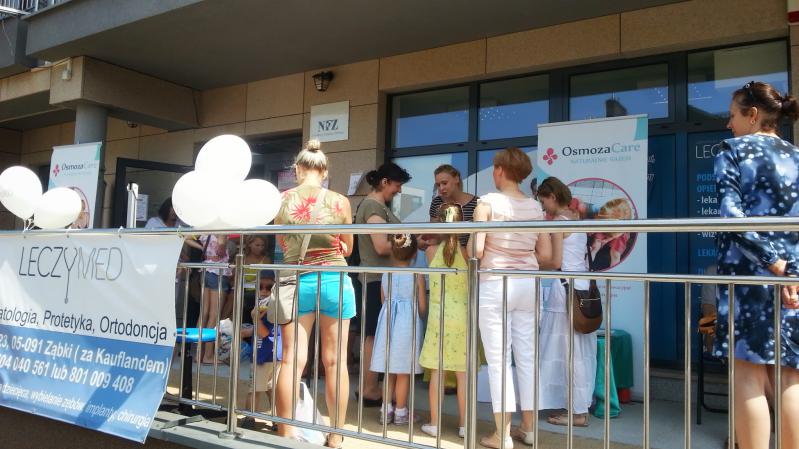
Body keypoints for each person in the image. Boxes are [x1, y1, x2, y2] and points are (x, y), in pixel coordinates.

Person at [713, 80, 799, 449]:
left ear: (751, 114)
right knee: (789, 375)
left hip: (746, 275)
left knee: (747, 374)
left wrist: (773, 261)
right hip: (793, 280)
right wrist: (792, 269)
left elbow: (731, 217)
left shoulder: (732, 151)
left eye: (732, 115)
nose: (728, 123)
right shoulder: (796, 155)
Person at [274, 140, 355, 448]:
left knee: (292, 360)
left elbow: (283, 243)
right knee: (335, 362)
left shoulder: (282, 200)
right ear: (325, 171)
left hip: (297, 281)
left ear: (298, 169)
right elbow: (348, 247)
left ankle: (286, 433)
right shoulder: (340, 202)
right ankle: (335, 435)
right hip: (334, 280)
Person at [469, 147, 552, 449]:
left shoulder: (487, 203)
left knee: (499, 361)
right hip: (528, 284)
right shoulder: (535, 207)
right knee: (527, 357)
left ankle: (501, 434)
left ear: (500, 170)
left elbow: (476, 250)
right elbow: (545, 254)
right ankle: (528, 429)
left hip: (495, 283)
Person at [536, 177, 596, 427]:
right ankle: (578, 406)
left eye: (544, 202)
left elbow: (555, 262)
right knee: (578, 351)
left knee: (565, 351)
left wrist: (530, 263)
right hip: (582, 287)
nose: (544, 207)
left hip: (564, 290)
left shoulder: (559, 222)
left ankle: (577, 412)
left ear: (552, 197)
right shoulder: (577, 218)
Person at [354, 162, 411, 406]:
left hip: (377, 279)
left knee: (373, 335)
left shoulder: (375, 206)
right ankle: (369, 388)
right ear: (385, 182)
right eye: (397, 185)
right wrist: (411, 243)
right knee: (372, 336)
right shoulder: (373, 206)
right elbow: (381, 245)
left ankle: (370, 387)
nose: (399, 190)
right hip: (376, 280)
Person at [420, 203, 469, 438]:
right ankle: (464, 425)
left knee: (437, 372)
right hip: (462, 316)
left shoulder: (431, 252)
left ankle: (435, 423)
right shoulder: (467, 253)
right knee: (462, 374)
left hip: (438, 317)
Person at [370, 234, 427, 425]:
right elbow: (422, 307)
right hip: (407, 326)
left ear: (393, 252)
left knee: (389, 370)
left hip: (388, 325)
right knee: (403, 371)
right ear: (414, 253)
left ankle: (385, 409)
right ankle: (401, 411)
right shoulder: (417, 275)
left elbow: (383, 301)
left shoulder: (386, 274)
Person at [241, 270, 281, 431]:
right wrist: (247, 331)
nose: (264, 291)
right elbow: (259, 331)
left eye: (269, 287)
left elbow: (264, 333)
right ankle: (276, 420)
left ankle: (249, 418)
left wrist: (255, 318)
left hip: (264, 356)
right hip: (271, 354)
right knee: (272, 390)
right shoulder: (262, 306)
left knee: (255, 389)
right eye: (260, 287)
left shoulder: (272, 308)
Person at [424, 164, 478, 248]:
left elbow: (479, 236)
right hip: (443, 253)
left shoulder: (476, 203)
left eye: (444, 183)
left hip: (468, 253)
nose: (441, 188)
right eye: (438, 185)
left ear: (456, 179)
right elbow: (433, 234)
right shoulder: (437, 202)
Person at [199, 234, 232, 364]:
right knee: (214, 315)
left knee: (203, 314)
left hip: (205, 269)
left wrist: (203, 249)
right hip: (218, 272)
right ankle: (208, 355)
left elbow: (187, 238)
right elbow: (221, 251)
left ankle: (198, 354)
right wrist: (224, 242)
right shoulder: (221, 232)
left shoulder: (206, 231)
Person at [587, 198, 633, 271]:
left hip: (618, 233)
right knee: (595, 246)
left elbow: (617, 234)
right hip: (606, 226)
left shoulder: (624, 228)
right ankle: (586, 266)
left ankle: (613, 273)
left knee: (615, 254)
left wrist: (608, 239)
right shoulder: (603, 213)